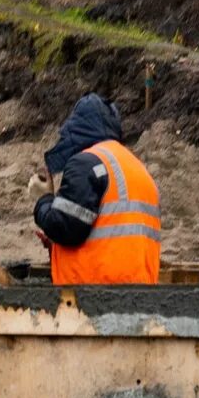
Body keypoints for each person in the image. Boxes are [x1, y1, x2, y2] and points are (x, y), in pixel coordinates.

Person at [33, 94, 161, 283]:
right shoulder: (135, 165)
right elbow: (112, 231)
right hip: (139, 291)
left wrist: (43, 199)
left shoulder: (86, 163)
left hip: (96, 291)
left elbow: (65, 228)